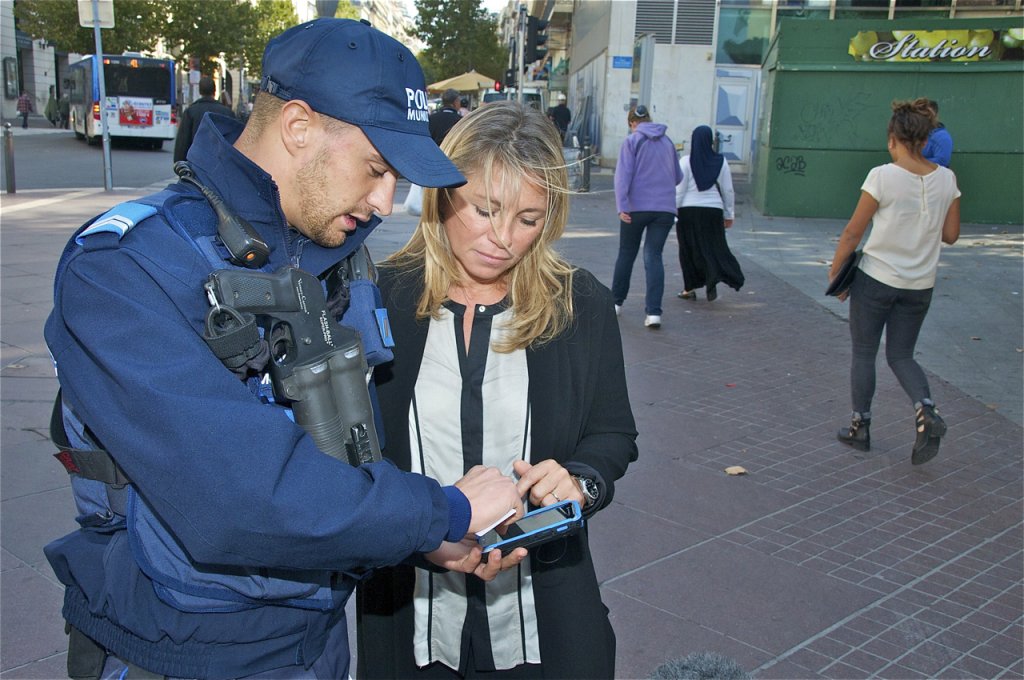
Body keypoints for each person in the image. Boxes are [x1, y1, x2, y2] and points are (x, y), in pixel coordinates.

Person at [43, 18, 525, 680]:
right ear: (297, 127)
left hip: (317, 644)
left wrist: (424, 538)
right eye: (377, 168)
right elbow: (240, 496)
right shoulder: (124, 267)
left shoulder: (335, 256)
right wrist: (446, 511)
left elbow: (342, 464)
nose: (387, 201)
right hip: (180, 655)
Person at [356, 101, 638, 679]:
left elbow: (613, 435)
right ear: (442, 194)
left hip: (551, 616)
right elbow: (351, 462)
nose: (504, 239)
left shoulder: (579, 303)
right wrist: (423, 532)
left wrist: (579, 482)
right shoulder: (377, 298)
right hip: (407, 614)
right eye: (485, 210)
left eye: (529, 218)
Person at [829, 98, 960, 465]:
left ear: (893, 139)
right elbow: (950, 234)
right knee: (902, 355)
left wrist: (836, 274)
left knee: (864, 352)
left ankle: (860, 427)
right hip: (920, 284)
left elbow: (854, 232)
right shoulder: (947, 179)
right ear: (924, 138)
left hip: (876, 280)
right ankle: (927, 409)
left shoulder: (882, 176)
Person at [611, 104, 683, 329]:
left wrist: (622, 205)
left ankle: (616, 303)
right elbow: (678, 176)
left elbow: (623, 176)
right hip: (664, 209)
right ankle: (653, 313)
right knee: (654, 256)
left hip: (636, 207)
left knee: (627, 253)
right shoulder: (668, 142)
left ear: (632, 123)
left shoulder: (632, 142)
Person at [675, 125, 744, 302]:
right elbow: (728, 190)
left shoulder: (685, 161)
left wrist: (673, 211)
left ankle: (689, 288)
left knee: (688, 250)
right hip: (713, 211)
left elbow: (680, 190)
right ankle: (712, 277)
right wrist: (729, 215)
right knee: (713, 247)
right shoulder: (720, 162)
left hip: (688, 211)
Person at [173, 75, 235, 162]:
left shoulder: (191, 111)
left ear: (200, 91)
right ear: (214, 90)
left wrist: (179, 162)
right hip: (220, 163)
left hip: (197, 162)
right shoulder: (227, 112)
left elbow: (183, 142)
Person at [922, 99, 952, 168]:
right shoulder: (914, 134)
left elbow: (942, 161)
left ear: (935, 115)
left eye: (927, 114)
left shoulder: (942, 136)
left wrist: (915, 162)